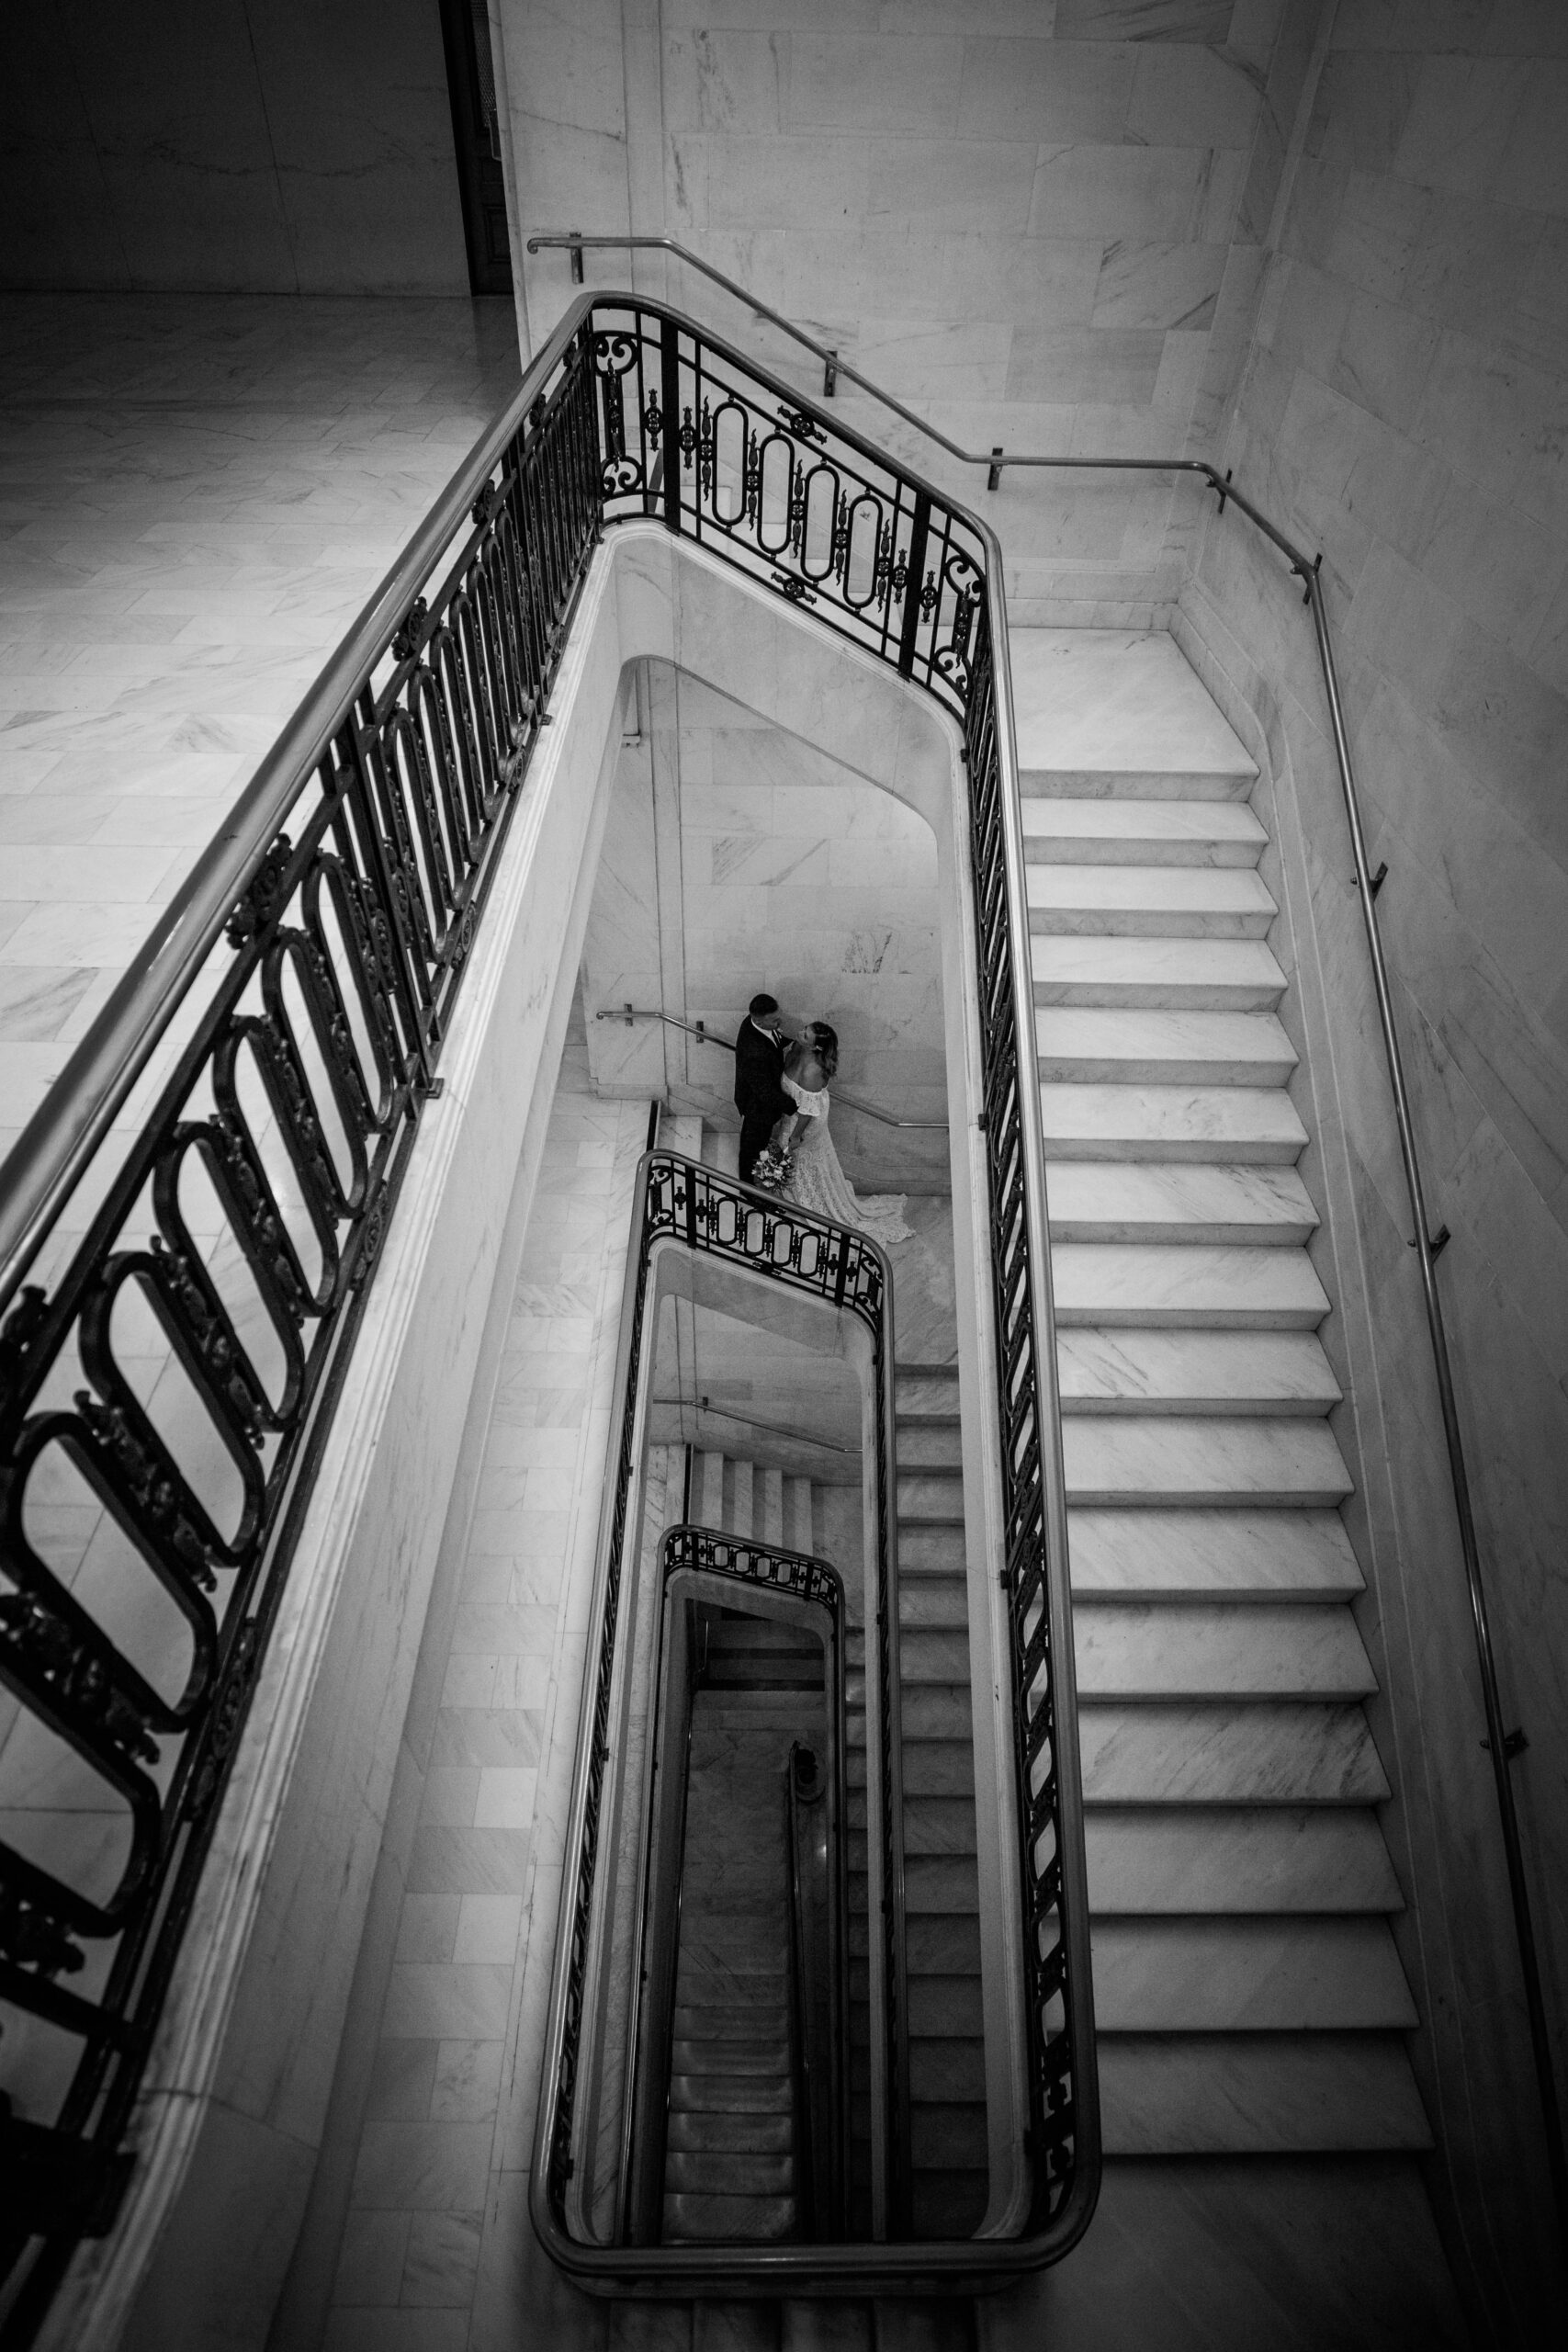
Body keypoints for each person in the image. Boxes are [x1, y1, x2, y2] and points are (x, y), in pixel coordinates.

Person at [773, 1021, 911, 1247]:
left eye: (805, 1035)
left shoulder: (814, 1070)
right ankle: (794, 1194)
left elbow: (808, 1111)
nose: (800, 1033)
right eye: (804, 1030)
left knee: (799, 1156)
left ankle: (813, 1200)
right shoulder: (798, 1047)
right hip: (793, 1113)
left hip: (806, 1121)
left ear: (816, 1048)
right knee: (791, 1157)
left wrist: (796, 1136)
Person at [733, 991, 794, 1183]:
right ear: (759, 1022)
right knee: (752, 1147)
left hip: (761, 1098)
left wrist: (797, 1045)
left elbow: (776, 1039)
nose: (780, 1022)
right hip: (757, 1106)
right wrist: (794, 1106)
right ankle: (747, 1187)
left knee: (757, 1143)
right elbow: (764, 1091)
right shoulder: (753, 1050)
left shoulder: (757, 1022)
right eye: (775, 1020)